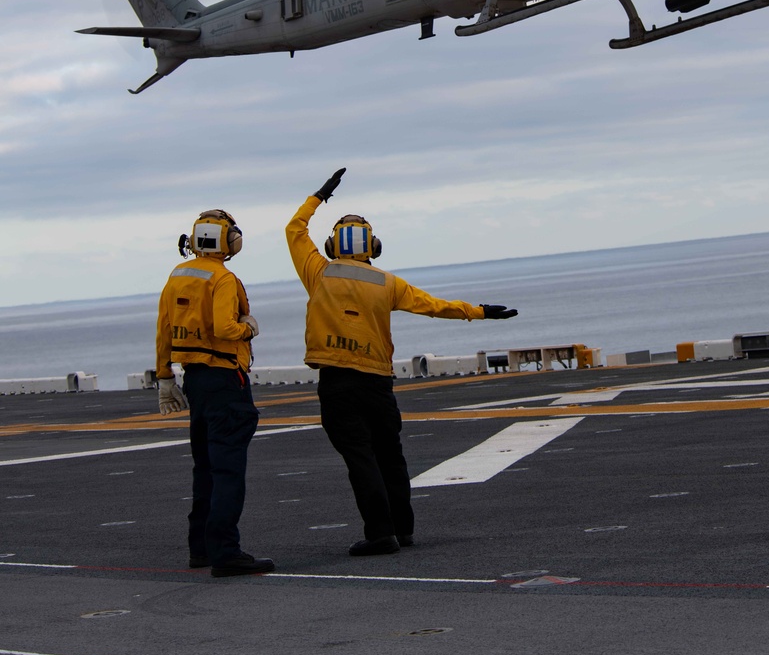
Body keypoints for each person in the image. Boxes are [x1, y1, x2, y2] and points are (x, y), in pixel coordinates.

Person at [286, 170, 518, 556]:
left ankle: (380, 534)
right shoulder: (387, 283)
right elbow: (434, 306)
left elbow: (295, 229)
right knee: (390, 455)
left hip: (338, 381)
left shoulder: (318, 272)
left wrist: (320, 196)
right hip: (377, 382)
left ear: (331, 246)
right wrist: (479, 311)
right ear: (373, 247)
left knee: (360, 456)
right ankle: (402, 528)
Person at [155, 208, 274, 578]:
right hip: (225, 380)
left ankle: (202, 548)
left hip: (194, 380)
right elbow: (225, 328)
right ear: (230, 241)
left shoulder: (178, 275)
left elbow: (164, 330)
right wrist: (248, 328)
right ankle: (225, 551)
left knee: (204, 467)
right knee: (227, 469)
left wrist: (165, 378)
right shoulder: (223, 278)